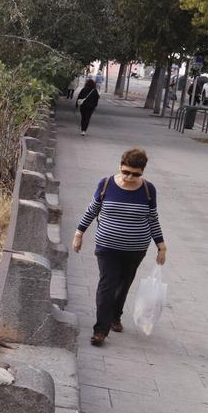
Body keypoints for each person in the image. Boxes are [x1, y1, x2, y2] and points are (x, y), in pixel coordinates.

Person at [72, 148, 167, 346]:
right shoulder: (106, 184)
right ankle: (101, 330)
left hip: (136, 249)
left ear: (143, 171)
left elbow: (152, 219)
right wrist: (79, 233)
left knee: (123, 283)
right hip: (107, 246)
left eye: (136, 174)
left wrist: (161, 246)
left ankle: (115, 315)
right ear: (120, 166)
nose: (130, 177)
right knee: (107, 285)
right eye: (126, 172)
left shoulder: (149, 190)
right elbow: (93, 209)